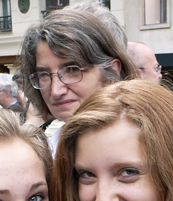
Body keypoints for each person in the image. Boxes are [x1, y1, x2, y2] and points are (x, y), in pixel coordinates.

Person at [17, 8, 137, 152]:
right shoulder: (44, 155)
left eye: (72, 70)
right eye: (44, 75)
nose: (56, 91)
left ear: (112, 71)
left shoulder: (147, 146)